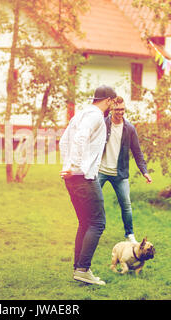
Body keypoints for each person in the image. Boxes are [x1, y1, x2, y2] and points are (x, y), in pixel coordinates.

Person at [59, 84, 117, 286]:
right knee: (97, 223)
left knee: (85, 223)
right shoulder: (95, 116)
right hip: (84, 177)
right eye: (113, 102)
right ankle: (83, 269)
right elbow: (81, 138)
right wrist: (75, 165)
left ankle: (79, 269)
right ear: (109, 100)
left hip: (72, 178)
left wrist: (67, 166)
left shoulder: (80, 114)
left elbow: (64, 142)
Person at [98, 96, 152, 244]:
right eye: (117, 109)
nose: (120, 112)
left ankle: (129, 234)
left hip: (120, 173)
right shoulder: (103, 124)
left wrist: (144, 171)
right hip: (100, 171)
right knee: (93, 202)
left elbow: (137, 152)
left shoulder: (130, 129)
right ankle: (92, 230)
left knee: (126, 204)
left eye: (122, 109)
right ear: (111, 109)